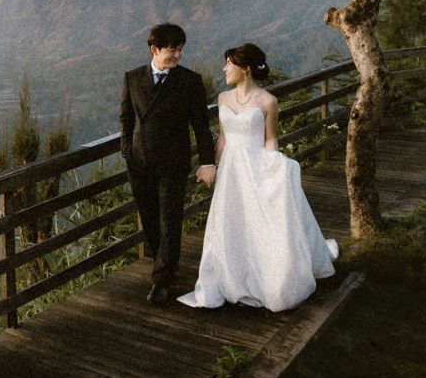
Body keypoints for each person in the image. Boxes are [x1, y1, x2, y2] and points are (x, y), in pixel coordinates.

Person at [177, 43, 338, 312]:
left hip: (255, 167)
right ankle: (230, 276)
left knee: (261, 222)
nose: (224, 68)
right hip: (230, 171)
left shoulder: (267, 101)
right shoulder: (223, 99)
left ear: (246, 68)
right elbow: (224, 138)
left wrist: (273, 169)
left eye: (229, 63)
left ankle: (269, 278)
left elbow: (270, 139)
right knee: (230, 222)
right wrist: (212, 165)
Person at [120, 23, 216, 306]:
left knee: (169, 220)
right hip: (139, 161)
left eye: (181, 49)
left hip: (173, 161)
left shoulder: (189, 81)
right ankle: (161, 263)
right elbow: (126, 118)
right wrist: (127, 149)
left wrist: (207, 161)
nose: (178, 55)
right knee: (149, 217)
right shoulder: (132, 77)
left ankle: (162, 278)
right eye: (173, 49)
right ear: (155, 50)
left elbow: (201, 125)